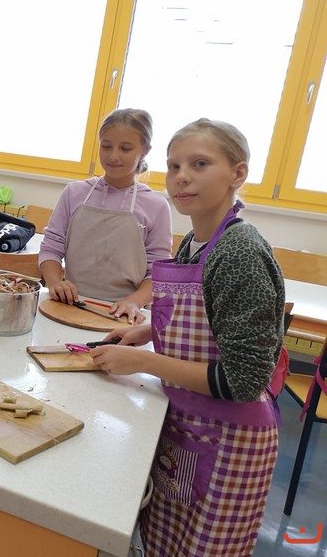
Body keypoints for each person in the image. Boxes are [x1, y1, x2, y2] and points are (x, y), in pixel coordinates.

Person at [89, 119, 285, 556]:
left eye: (200, 164)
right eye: (174, 165)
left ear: (237, 173)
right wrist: (145, 332)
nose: (181, 177)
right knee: (166, 544)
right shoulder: (196, 242)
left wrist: (143, 362)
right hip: (188, 426)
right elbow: (200, 317)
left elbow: (243, 380)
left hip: (229, 440)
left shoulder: (240, 253)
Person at [38, 108, 172, 324]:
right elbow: (51, 247)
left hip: (122, 314)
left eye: (125, 148)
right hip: (69, 304)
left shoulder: (156, 206)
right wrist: (55, 283)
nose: (113, 156)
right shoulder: (74, 192)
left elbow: (158, 272)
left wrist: (134, 302)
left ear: (144, 151)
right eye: (106, 146)